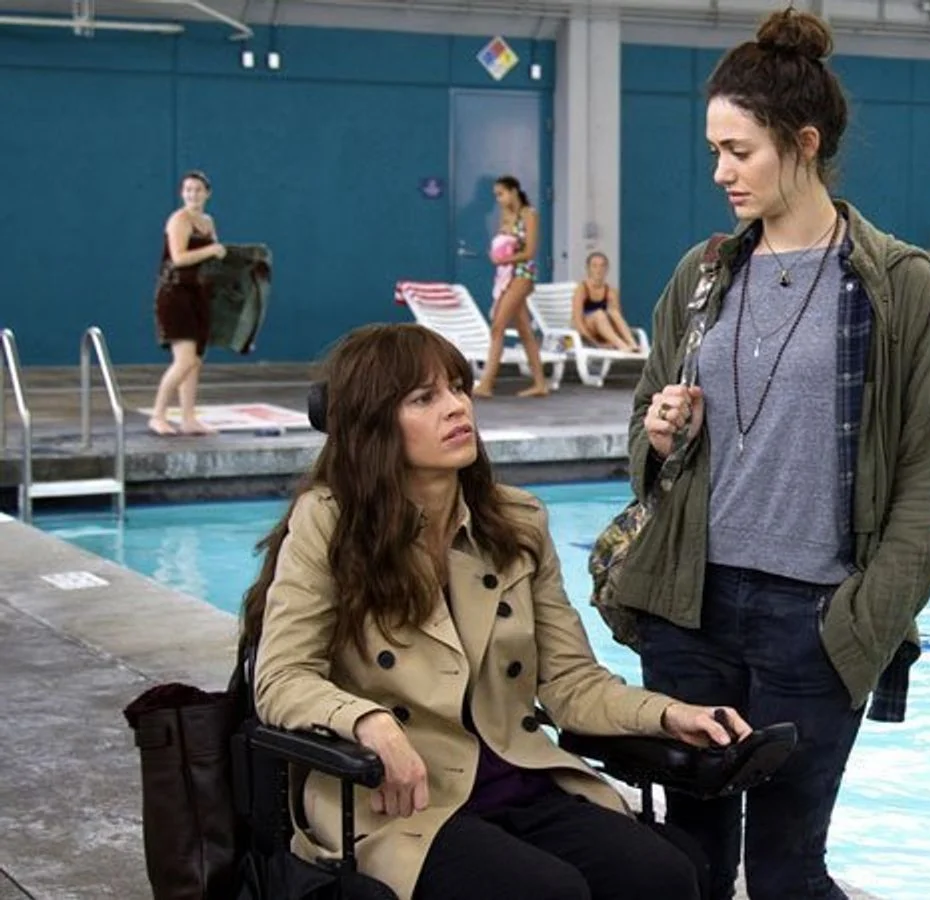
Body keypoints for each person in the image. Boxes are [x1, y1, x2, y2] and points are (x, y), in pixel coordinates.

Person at [605, 8, 930, 899]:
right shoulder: (703, 273)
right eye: (715, 151)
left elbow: (928, 479)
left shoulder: (896, 285)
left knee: (786, 872)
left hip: (816, 619)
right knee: (688, 861)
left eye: (740, 151)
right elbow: (645, 416)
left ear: (804, 144)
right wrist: (660, 431)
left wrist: (865, 620)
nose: (720, 172)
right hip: (689, 606)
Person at [242, 322, 753, 900]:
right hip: (393, 799)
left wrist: (668, 715)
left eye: (459, 388)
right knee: (546, 892)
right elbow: (282, 678)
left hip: (516, 775)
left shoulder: (516, 522)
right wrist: (368, 722)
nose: (457, 407)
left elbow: (570, 683)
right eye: (424, 398)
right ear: (372, 423)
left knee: (664, 876)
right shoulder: (329, 521)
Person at [150, 170, 227, 436]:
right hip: (174, 294)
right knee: (184, 361)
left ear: (208, 193)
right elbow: (179, 257)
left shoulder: (207, 221)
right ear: (182, 193)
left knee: (194, 361)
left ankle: (188, 417)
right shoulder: (179, 220)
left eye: (197, 190)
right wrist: (212, 250)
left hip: (197, 294)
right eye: (188, 190)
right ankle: (158, 414)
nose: (192, 194)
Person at [474, 175, 549, 398]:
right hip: (506, 276)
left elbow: (530, 251)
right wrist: (496, 255)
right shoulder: (505, 216)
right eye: (496, 195)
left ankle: (486, 383)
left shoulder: (529, 214)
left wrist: (504, 259)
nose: (498, 199)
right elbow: (502, 244)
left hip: (522, 275)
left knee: (498, 326)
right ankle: (540, 384)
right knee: (525, 330)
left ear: (514, 191)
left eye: (501, 194)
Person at [571, 251, 642, 352]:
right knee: (599, 314)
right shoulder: (582, 289)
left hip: (605, 334)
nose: (598, 270)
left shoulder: (611, 291)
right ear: (588, 269)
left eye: (602, 266)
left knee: (614, 312)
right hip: (587, 334)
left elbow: (617, 321)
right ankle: (621, 345)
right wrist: (595, 344)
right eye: (594, 266)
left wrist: (608, 342)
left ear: (606, 269)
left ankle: (632, 343)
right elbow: (577, 322)